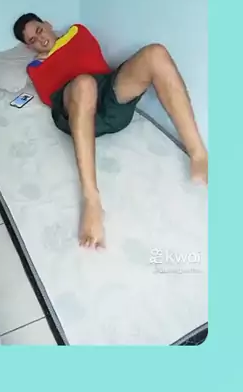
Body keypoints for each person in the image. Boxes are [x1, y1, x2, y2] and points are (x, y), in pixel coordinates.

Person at [13, 14, 208, 250]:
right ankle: (91, 200)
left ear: (48, 24)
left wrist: (63, 55)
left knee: (155, 53)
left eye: (39, 30)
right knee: (84, 84)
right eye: (32, 40)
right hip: (75, 109)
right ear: (29, 47)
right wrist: (56, 64)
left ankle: (199, 154)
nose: (40, 39)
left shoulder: (77, 32)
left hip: (108, 96)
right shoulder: (35, 67)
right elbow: (49, 97)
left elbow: (95, 60)